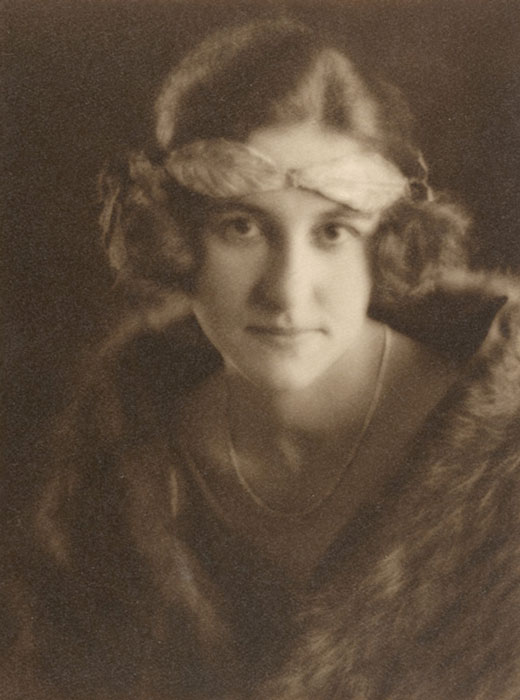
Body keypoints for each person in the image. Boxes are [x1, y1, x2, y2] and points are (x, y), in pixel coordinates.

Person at [4, 18, 520, 700]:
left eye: (333, 232)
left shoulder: (507, 455)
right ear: (175, 238)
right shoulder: (114, 475)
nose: (286, 291)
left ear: (388, 245)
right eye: (241, 227)